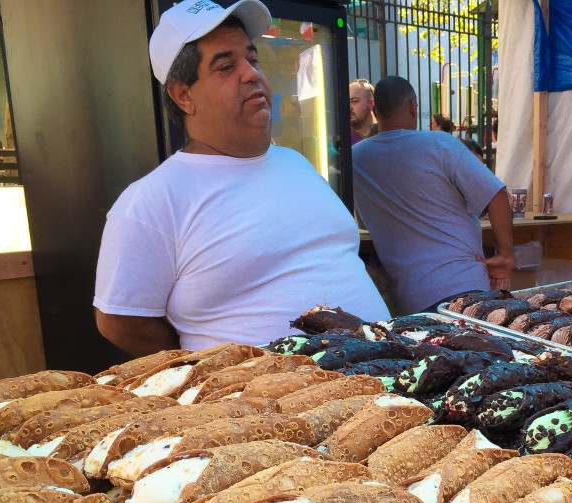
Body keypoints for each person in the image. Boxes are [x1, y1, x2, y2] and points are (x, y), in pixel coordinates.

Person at [94, 0, 389, 355]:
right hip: (273, 404)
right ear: (183, 94)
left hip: (388, 375)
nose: (251, 73)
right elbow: (118, 320)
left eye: (252, 58)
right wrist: (205, 366)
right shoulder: (151, 201)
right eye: (226, 66)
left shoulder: (295, 163)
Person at [353, 76, 514, 314]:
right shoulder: (441, 143)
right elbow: (497, 195)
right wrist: (506, 257)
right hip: (465, 289)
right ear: (412, 107)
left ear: (374, 108)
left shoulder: (356, 158)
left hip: (410, 299)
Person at [348, 78, 377, 144]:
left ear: (371, 103)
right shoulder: (340, 141)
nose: (349, 107)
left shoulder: (387, 136)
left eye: (354, 101)